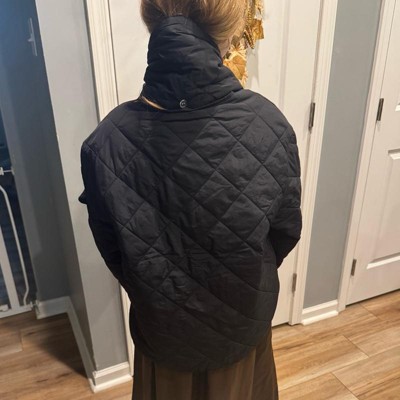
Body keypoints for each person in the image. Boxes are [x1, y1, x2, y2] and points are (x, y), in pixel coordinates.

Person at [78, 0, 302, 399]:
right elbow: (285, 232)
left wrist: (158, 288)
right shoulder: (270, 124)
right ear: (228, 32)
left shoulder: (106, 142)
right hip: (242, 327)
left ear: (152, 20)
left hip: (163, 334)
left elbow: (115, 251)